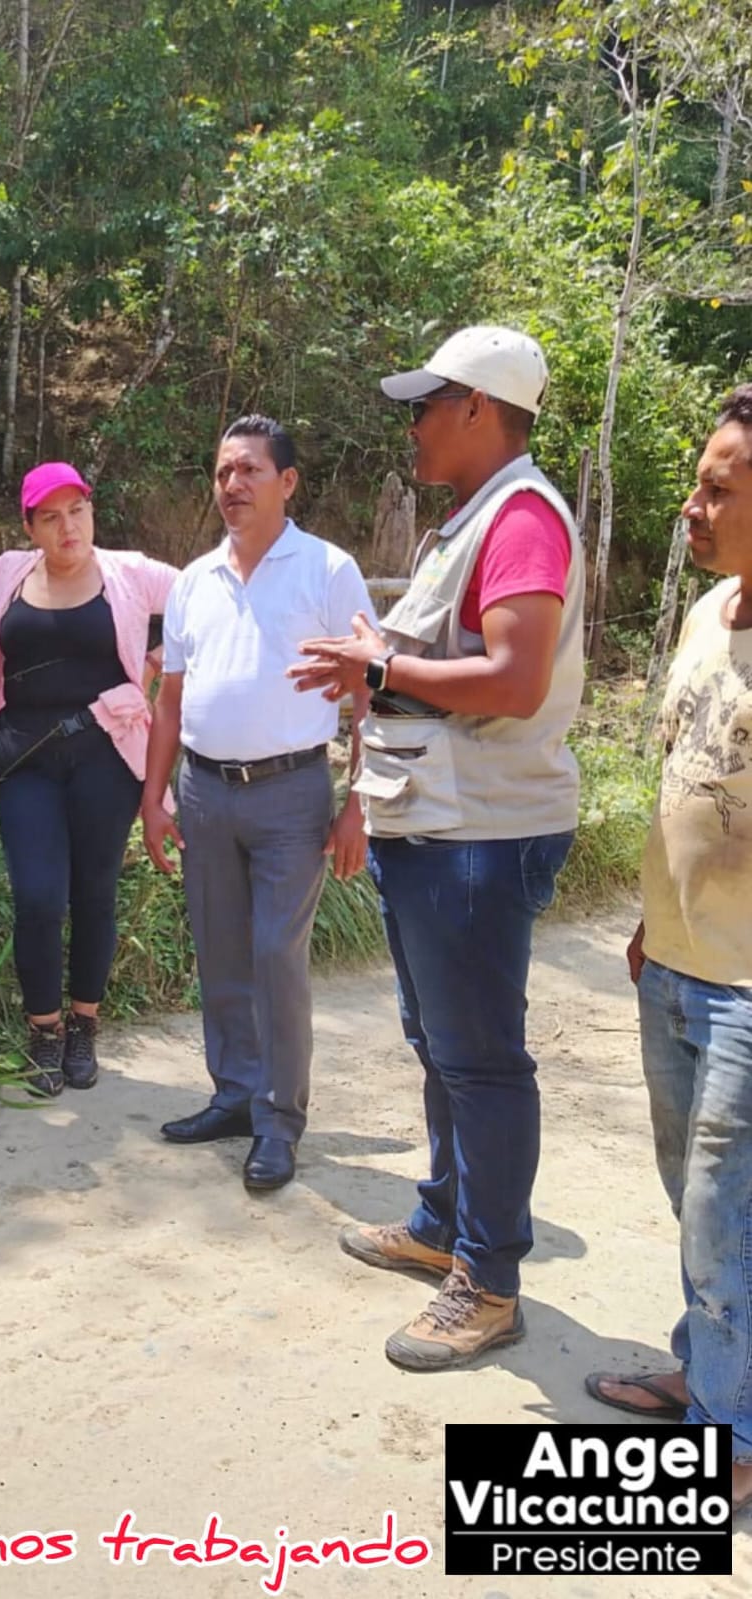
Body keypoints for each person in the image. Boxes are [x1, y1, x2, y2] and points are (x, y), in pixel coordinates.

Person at [291, 326, 582, 1370]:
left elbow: (514, 679)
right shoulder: (469, 521)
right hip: (435, 821)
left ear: (478, 407)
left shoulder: (521, 519)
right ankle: (444, 1224)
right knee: (439, 1043)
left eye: (426, 404)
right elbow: (441, 665)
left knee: (480, 1060)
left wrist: (379, 666)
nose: (412, 424)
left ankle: (489, 1280)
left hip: (479, 833)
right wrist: (380, 662)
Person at [582, 386, 752, 1513]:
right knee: (689, 1200)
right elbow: (683, 775)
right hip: (676, 960)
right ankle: (710, 1372)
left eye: (717, 490)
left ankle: (726, 1441)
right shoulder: (707, 614)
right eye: (697, 485)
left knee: (725, 1214)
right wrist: (653, 919)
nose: (692, 507)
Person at [141, 415, 373, 1193]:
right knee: (219, 950)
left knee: (276, 953)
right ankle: (234, 1093)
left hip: (291, 792)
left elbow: (369, 696)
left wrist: (357, 805)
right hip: (204, 791)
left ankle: (278, 1120)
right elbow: (169, 701)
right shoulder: (192, 581)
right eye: (221, 472)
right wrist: (154, 796)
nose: (232, 484)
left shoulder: (328, 569)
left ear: (287, 481)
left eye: (248, 470)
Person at [0, 463, 178, 1094]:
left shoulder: (129, 573)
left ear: (91, 512)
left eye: (77, 511)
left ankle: (84, 1024)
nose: (68, 527)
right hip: (25, 758)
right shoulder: (5, 575)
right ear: (30, 526)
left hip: (105, 757)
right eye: (51, 517)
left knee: (94, 892)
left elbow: (207, 599)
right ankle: (43, 1031)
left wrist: (157, 660)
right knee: (37, 897)